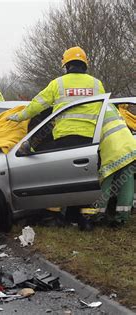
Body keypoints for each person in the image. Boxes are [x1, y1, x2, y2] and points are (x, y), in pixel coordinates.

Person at [7, 46, 106, 230]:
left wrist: (19, 117)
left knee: (60, 180)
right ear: (84, 64)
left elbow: (37, 105)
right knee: (85, 181)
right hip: (89, 141)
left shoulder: (58, 84)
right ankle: (84, 221)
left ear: (66, 65)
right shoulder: (96, 84)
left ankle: (55, 218)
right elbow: (104, 110)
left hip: (64, 140)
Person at [95, 104, 136, 226]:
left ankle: (98, 216)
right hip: (129, 147)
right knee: (126, 182)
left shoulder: (91, 108)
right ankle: (122, 218)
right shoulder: (110, 106)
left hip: (113, 150)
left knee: (104, 182)